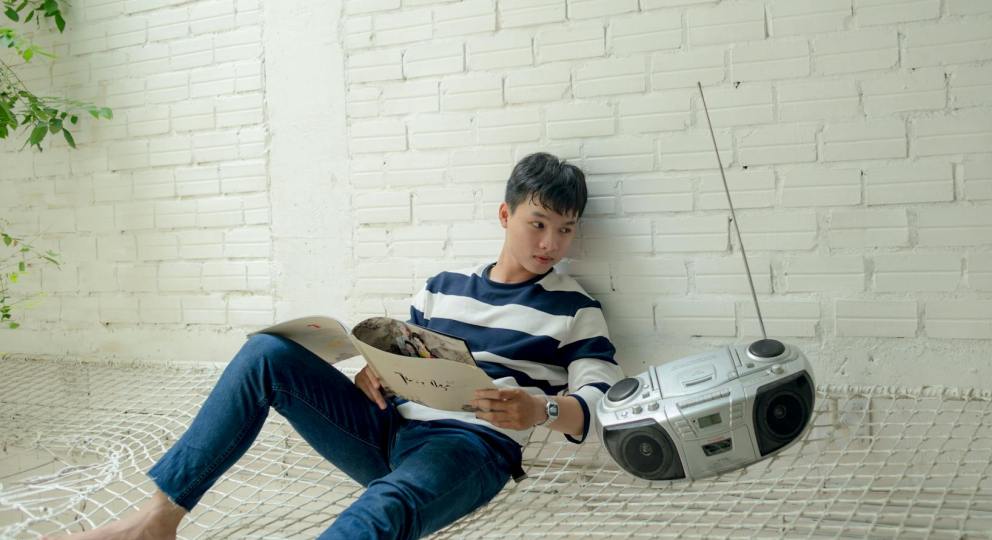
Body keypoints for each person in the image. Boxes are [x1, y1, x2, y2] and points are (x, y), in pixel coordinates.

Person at [56, 152, 623, 540]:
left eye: (566, 229)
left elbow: (602, 407)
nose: (551, 243)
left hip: (470, 449)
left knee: (386, 505)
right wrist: (376, 375)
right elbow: (408, 358)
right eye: (538, 223)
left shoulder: (574, 307)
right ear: (506, 215)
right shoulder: (440, 287)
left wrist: (542, 409)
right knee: (266, 355)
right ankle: (160, 516)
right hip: (387, 428)